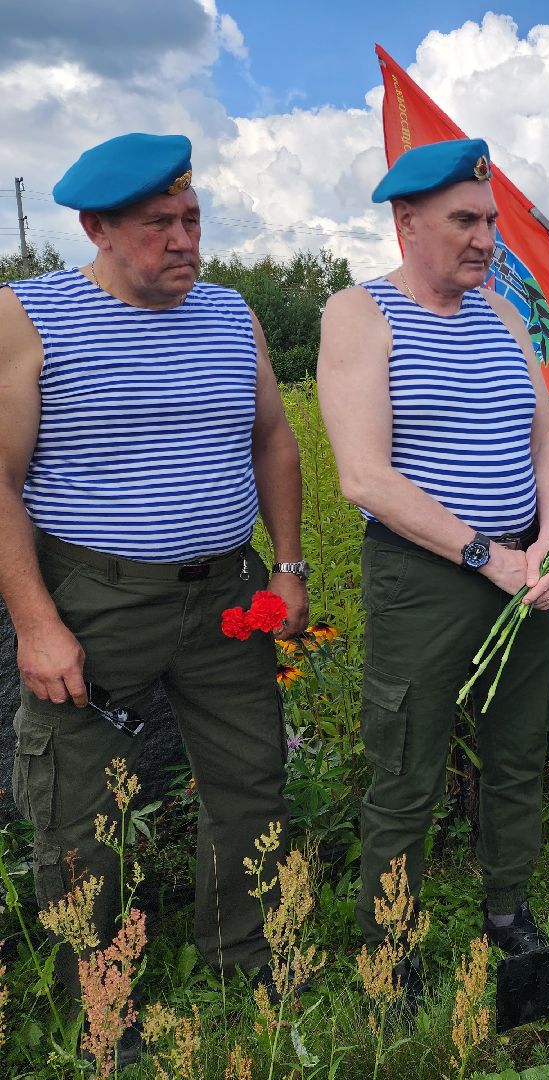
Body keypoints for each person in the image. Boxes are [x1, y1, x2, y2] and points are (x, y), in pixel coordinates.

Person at [0, 133, 305, 993]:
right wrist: (36, 625)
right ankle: (98, 999)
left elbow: (274, 439)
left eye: (192, 219)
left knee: (250, 782)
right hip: (96, 598)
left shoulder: (232, 314)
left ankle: (245, 963)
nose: (183, 241)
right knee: (79, 805)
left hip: (228, 595)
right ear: (96, 228)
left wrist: (288, 566)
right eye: (158, 225)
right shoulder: (28, 316)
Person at [318, 138, 549, 959]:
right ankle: (389, 950)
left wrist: (547, 545)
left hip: (524, 568)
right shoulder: (359, 313)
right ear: (407, 222)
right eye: (465, 221)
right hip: (427, 576)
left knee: (517, 750)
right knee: (407, 767)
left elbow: (545, 439)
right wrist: (486, 557)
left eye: (490, 221)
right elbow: (364, 476)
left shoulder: (502, 314)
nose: (486, 240)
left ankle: (507, 911)